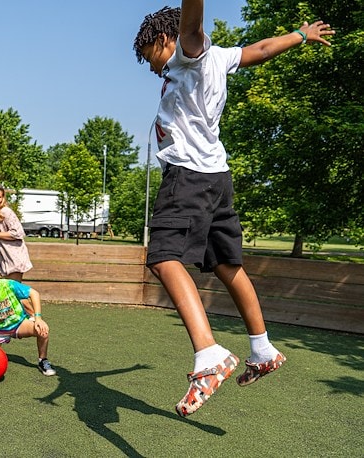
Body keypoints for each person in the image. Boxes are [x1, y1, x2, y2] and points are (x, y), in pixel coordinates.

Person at [133, 2, 334, 416]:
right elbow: (258, 49)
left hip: (187, 177)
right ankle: (262, 348)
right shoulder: (221, 56)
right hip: (217, 177)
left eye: (149, 55)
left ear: (164, 39)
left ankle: (208, 357)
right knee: (226, 264)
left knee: (163, 257)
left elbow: (193, 21)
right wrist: (299, 35)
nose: (151, 67)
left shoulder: (190, 50)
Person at [0, 264, 56, 376]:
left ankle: (42, 361)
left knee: (43, 330)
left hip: (19, 324)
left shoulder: (8, 285)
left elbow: (34, 294)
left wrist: (38, 318)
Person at [0, 184, 32, 282]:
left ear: (3, 198)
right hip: (3, 259)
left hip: (15, 259)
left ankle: (33, 296)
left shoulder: (6, 212)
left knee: (13, 292)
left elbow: (18, 233)